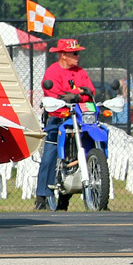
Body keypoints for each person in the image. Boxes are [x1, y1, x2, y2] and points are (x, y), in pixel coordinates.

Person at [35, 38, 95, 209]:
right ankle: (42, 196)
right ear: (63, 55)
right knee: (50, 154)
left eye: (78, 53)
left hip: (79, 117)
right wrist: (79, 92)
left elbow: (91, 91)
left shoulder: (81, 72)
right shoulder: (52, 72)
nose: (78, 57)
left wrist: (76, 94)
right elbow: (55, 94)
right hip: (58, 116)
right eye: (74, 53)